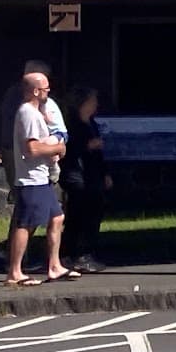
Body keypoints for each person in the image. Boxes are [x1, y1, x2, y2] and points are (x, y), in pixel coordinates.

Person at [4, 72, 78, 286]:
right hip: (31, 179)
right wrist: (57, 147)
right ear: (35, 91)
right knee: (26, 223)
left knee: (56, 217)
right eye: (45, 89)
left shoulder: (36, 113)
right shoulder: (28, 113)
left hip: (41, 177)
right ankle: (15, 272)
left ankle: (54, 266)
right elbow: (32, 148)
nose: (48, 92)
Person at [60, 86, 109, 273]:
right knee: (76, 215)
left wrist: (105, 173)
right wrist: (87, 145)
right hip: (76, 174)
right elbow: (69, 150)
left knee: (93, 212)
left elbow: (99, 154)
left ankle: (85, 252)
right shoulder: (72, 124)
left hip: (92, 174)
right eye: (93, 100)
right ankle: (72, 253)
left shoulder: (92, 123)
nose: (96, 104)